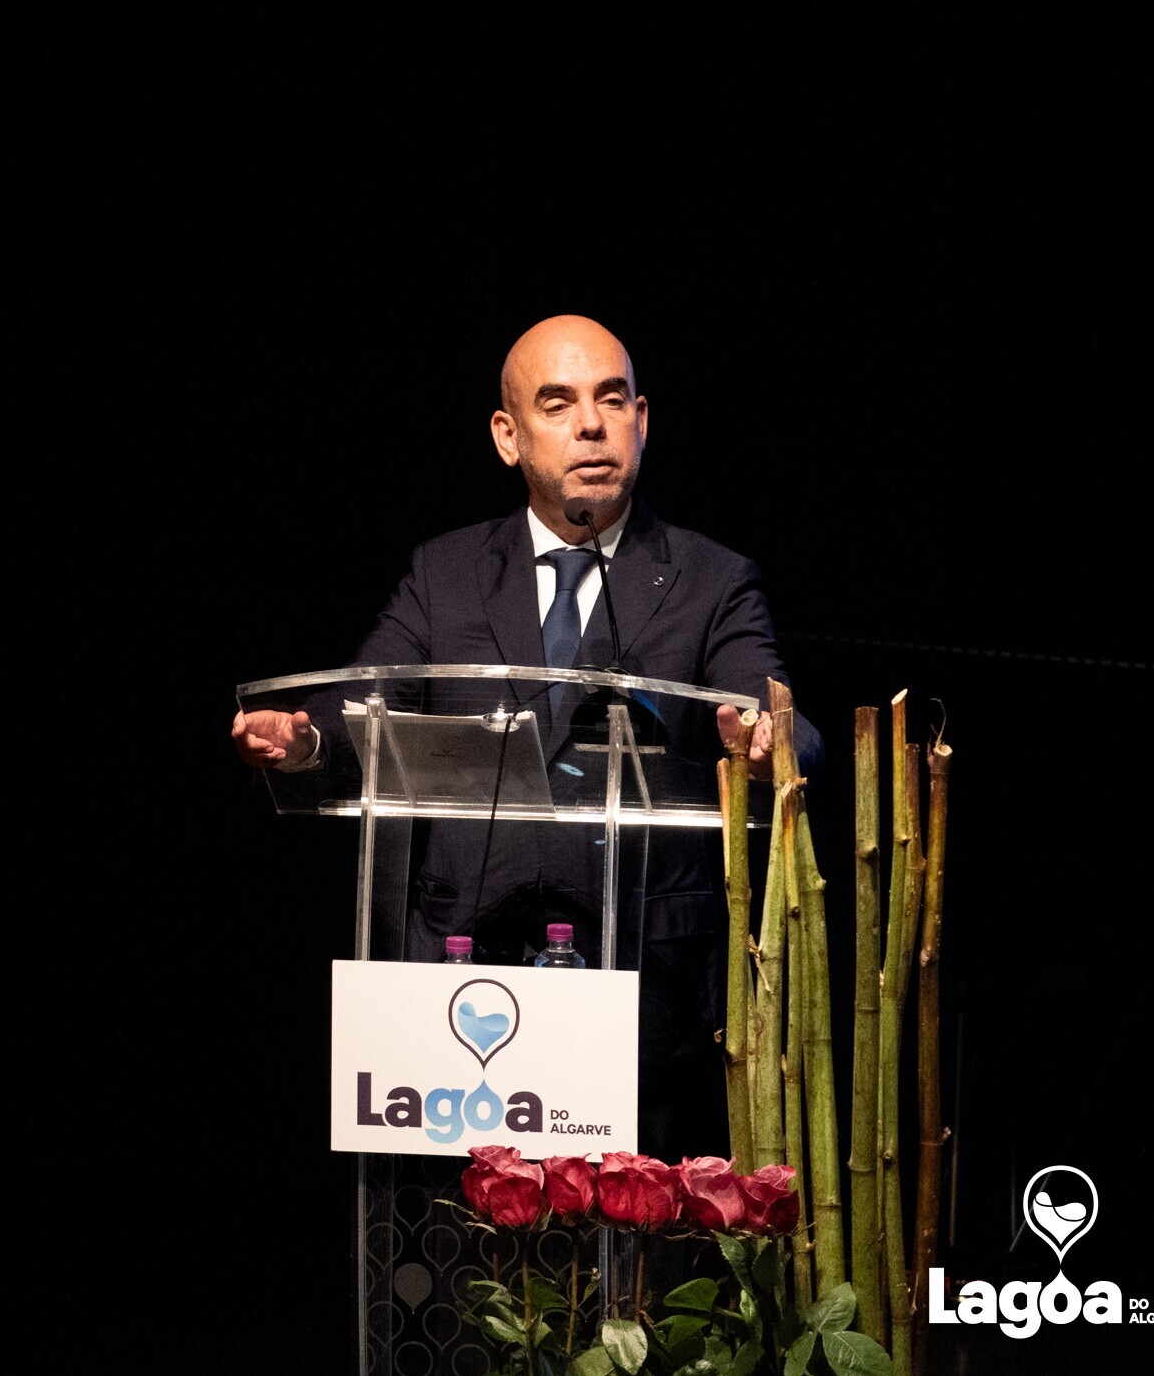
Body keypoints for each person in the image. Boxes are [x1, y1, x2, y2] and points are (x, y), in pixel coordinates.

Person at [231, 313, 819, 1160]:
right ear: (509, 436)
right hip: (466, 977)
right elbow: (362, 704)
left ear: (641, 421)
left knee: (631, 1271)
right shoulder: (446, 572)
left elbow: (778, 716)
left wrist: (770, 747)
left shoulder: (712, 579)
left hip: (647, 996)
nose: (590, 423)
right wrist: (305, 742)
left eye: (611, 400)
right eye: (558, 403)